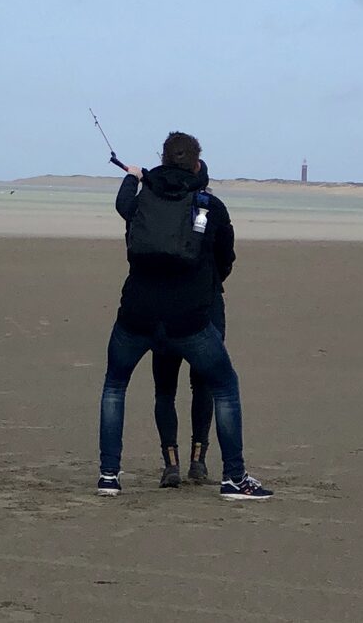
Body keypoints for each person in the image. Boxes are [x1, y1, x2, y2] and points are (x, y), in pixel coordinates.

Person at [96, 130, 273, 500]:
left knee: (115, 386)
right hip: (187, 319)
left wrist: (134, 175)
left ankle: (109, 476)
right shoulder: (210, 205)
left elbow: (122, 203)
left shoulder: (143, 200)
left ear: (162, 161)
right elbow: (225, 258)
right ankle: (234, 477)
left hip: (137, 314)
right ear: (196, 163)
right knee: (224, 385)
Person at [149, 157, 227, 488]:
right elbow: (227, 256)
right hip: (204, 307)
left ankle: (175, 463)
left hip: (167, 305)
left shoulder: (159, 208)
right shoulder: (214, 208)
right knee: (202, 385)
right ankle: (196, 461)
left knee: (167, 388)